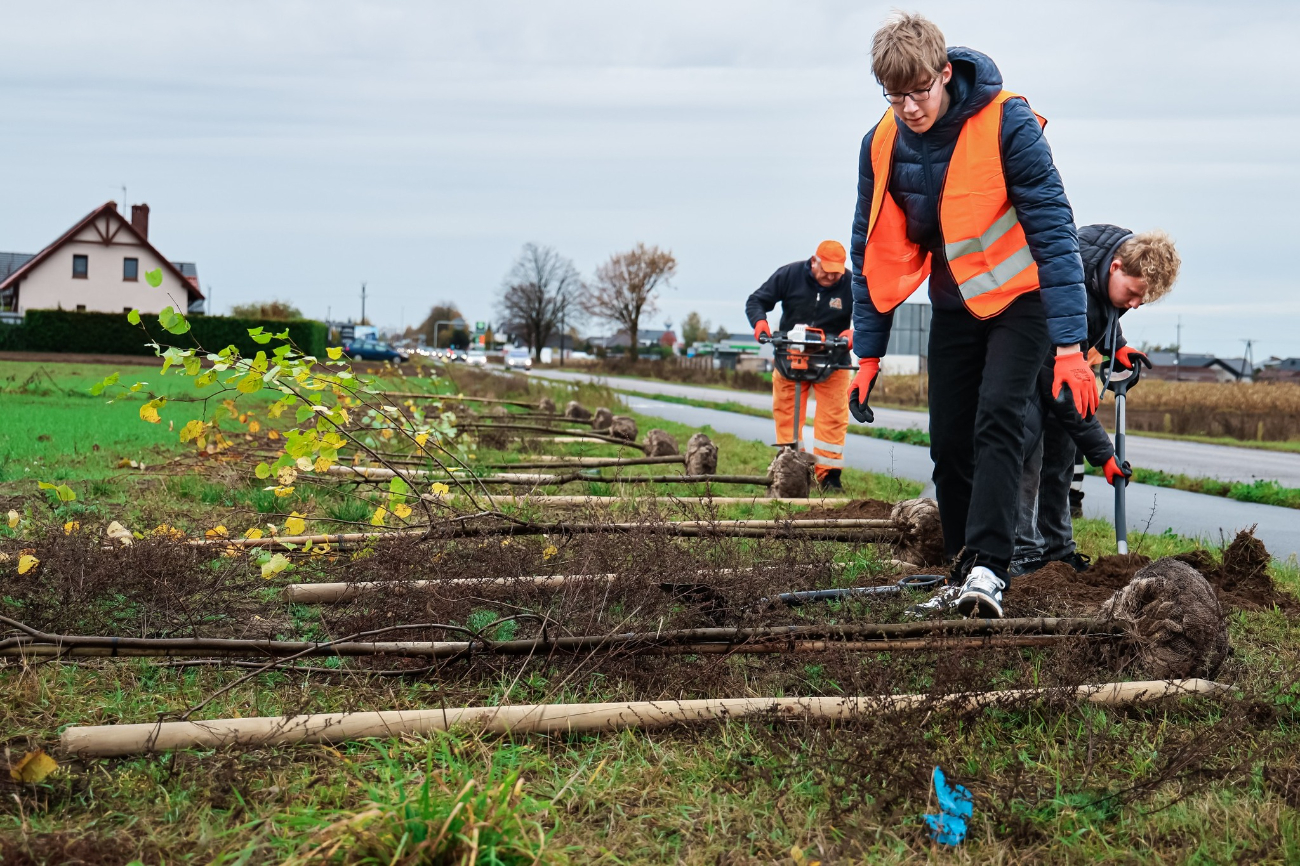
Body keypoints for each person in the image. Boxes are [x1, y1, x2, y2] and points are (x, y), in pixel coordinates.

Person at [846, 12, 1096, 618]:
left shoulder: (1007, 121)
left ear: (944, 72)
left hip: (1022, 301)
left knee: (998, 419)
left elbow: (1055, 231)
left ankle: (990, 568)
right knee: (949, 439)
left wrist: (1070, 344)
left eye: (919, 91)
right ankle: (961, 568)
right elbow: (868, 247)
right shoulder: (881, 143)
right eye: (895, 95)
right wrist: (868, 353)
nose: (909, 107)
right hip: (955, 302)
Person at [1011, 226, 1181, 576]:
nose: (1135, 304)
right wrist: (1104, 455)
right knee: (1026, 455)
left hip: (1058, 367)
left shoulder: (1106, 266)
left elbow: (1104, 307)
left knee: (1061, 456)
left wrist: (1116, 344)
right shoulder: (1069, 279)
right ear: (1116, 267)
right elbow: (1062, 393)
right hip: (1025, 364)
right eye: (1133, 294)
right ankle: (1020, 554)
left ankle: (1056, 551)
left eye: (1142, 300)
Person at [746, 240, 855, 489]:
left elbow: (869, 312)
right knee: (786, 413)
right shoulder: (789, 275)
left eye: (836, 272)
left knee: (833, 417)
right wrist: (760, 322)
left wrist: (854, 332)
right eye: (826, 270)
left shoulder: (851, 283)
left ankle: (829, 475)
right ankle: (791, 466)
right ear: (814, 261)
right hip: (791, 358)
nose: (831, 276)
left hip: (833, 359)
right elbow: (756, 301)